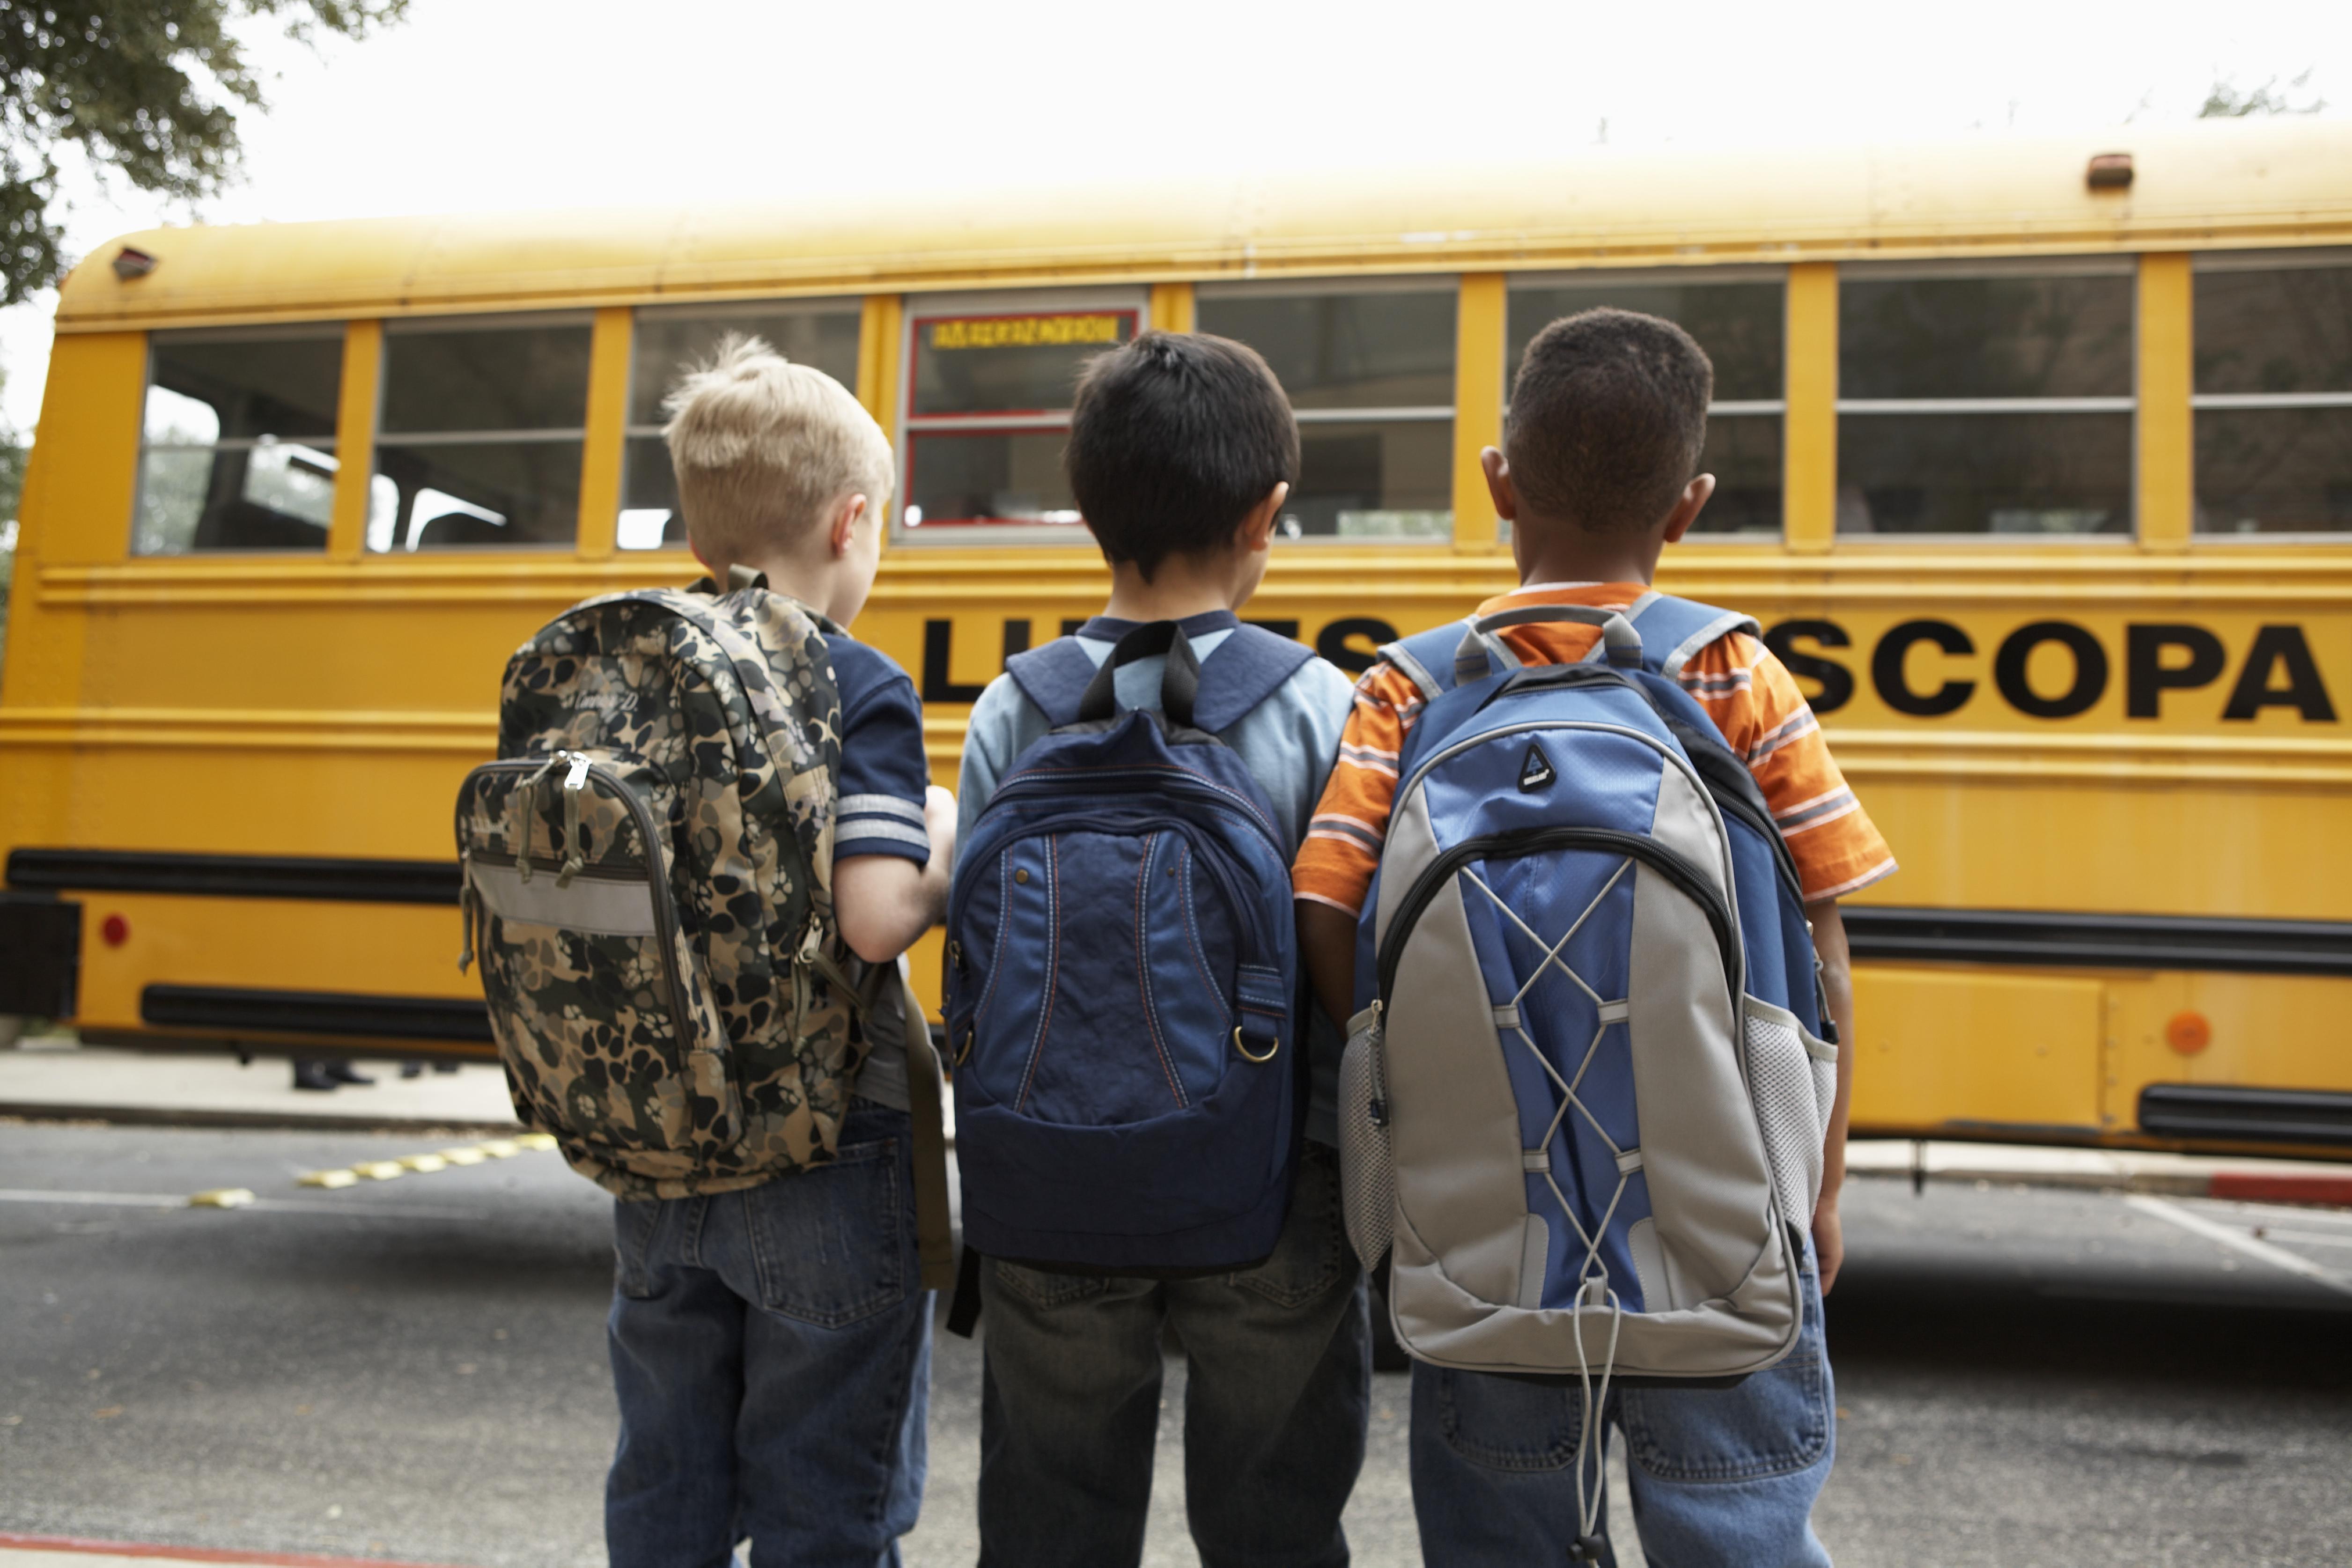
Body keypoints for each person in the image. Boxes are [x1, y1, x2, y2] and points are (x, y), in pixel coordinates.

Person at [1294, 309, 1896, 1566]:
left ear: (1497, 483)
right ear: (1691, 506)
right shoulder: (1734, 674)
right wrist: (1820, 1183)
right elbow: (1825, 954)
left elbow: (1327, 909)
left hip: (1481, 1229)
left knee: (1502, 1536)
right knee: (1737, 1527)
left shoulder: (1407, 688)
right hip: (1724, 1212)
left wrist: (1413, 1122)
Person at [954, 331, 1368, 1568]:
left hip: (1048, 1176)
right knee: (1276, 1522)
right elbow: (1339, 950)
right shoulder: (1318, 704)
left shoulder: (1012, 707)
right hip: (1273, 1185)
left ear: (1085, 512)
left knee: (1051, 1520)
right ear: (1268, 515)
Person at [601, 337, 954, 1568]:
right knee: (821, 1501)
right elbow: (872, 919)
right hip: (821, 1145)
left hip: (650, 1134)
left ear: (703, 539)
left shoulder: (621, 675)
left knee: (666, 1478)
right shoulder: (856, 683)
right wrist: (943, 849)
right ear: (853, 522)